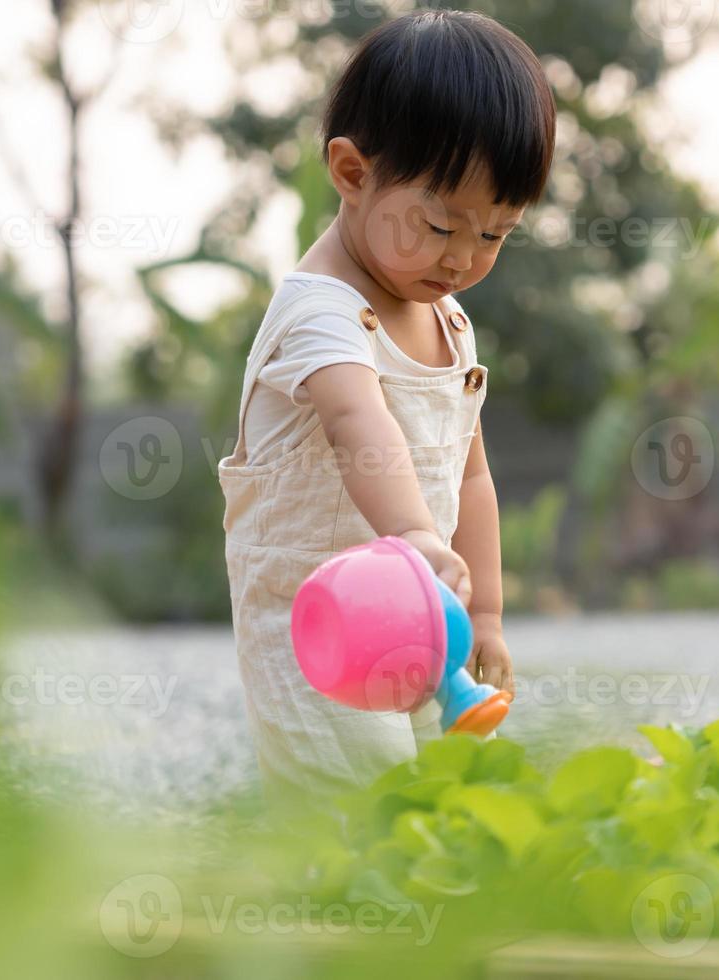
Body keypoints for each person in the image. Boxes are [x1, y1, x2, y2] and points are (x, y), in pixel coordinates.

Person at [218, 9, 556, 803]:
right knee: (351, 800)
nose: (465, 258)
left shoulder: (450, 321)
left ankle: (423, 916)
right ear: (352, 172)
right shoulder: (320, 313)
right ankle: (332, 917)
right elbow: (356, 425)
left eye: (497, 235)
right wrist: (410, 534)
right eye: (440, 225)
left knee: (436, 795)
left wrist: (492, 616)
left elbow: (471, 480)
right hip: (322, 631)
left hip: (425, 622)